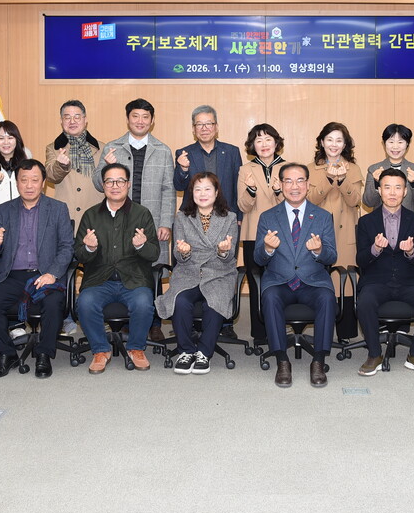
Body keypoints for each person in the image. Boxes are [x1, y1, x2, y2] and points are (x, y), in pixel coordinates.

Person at [0, 159, 73, 379]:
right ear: (17, 182)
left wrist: (52, 274)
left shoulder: (58, 209)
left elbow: (67, 247)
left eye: (35, 180)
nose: (29, 185)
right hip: (12, 275)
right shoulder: (4, 210)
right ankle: (7, 354)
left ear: (43, 183)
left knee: (53, 303)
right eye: (24, 180)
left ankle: (44, 354)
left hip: (45, 274)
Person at [255, 163, 338, 388]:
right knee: (270, 297)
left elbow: (332, 256)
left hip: (312, 281)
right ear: (281, 185)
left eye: (300, 181)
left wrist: (319, 250)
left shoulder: (322, 216)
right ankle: (282, 360)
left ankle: (318, 361)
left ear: (308, 185)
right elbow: (258, 259)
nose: (295, 186)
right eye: (289, 181)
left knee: (327, 298)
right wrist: (267, 249)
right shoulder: (267, 217)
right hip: (279, 281)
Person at [73, 163, 160, 374]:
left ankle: (136, 348)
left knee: (143, 303)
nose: (115, 186)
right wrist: (88, 247)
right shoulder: (91, 215)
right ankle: (100, 350)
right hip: (99, 279)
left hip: (134, 279)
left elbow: (154, 254)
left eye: (120, 181)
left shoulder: (142, 214)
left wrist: (141, 245)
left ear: (128, 184)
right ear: (103, 185)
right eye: (109, 181)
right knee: (84, 303)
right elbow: (78, 255)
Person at [354, 169, 414, 377]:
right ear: (379, 190)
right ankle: (374, 354)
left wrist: (411, 252)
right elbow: (361, 260)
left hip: (410, 281)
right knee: (364, 302)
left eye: (398, 187)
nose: (392, 193)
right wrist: (375, 248)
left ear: (405, 192)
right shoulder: (366, 222)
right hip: (377, 281)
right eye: (387, 187)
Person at [156, 173, 239, 375]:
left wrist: (223, 251)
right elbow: (178, 254)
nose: (202, 194)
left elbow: (229, 257)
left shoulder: (230, 218)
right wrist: (183, 252)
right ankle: (185, 351)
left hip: (219, 272)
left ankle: (203, 352)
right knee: (180, 300)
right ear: (191, 193)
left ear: (216, 192)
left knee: (214, 301)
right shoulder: (182, 217)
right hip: (189, 271)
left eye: (207, 189)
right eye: (197, 189)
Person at [95, 98, 176, 265]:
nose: (140, 121)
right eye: (135, 116)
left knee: (153, 270)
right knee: (119, 267)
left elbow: (169, 190)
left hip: (152, 221)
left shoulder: (163, 151)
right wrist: (106, 166)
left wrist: (166, 223)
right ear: (127, 119)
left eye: (145, 117)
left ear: (152, 121)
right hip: (117, 221)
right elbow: (98, 184)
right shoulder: (112, 147)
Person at [237, 123, 287, 346]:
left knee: (280, 281)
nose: (264, 144)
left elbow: (292, 204)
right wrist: (250, 190)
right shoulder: (245, 169)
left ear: (276, 143)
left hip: (282, 234)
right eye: (258, 140)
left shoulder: (287, 168)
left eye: (268, 139)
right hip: (253, 234)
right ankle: (259, 333)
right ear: (252, 145)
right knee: (256, 281)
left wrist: (278, 191)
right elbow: (243, 206)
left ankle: (279, 329)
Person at [307, 121, 363, 267]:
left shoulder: (353, 169)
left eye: (339, 141)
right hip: (317, 231)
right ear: (322, 142)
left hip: (345, 232)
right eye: (329, 140)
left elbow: (355, 201)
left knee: (344, 275)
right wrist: (328, 179)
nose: (334, 145)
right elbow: (309, 201)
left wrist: (343, 180)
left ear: (344, 145)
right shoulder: (310, 169)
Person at [174, 105, 243, 222]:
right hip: (193, 217)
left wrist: (239, 216)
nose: (204, 128)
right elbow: (179, 187)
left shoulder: (232, 152)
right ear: (193, 129)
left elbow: (238, 188)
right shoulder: (184, 153)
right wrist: (183, 169)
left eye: (209, 124)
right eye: (199, 124)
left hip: (226, 215)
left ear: (216, 127)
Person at [45, 99, 104, 231]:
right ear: (61, 121)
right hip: (65, 217)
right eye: (67, 117)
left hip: (95, 216)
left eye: (77, 117)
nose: (72, 121)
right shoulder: (53, 148)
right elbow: (50, 176)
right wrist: (60, 165)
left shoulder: (102, 148)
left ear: (85, 120)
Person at [362, 123, 414, 213]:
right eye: (391, 142)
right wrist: (376, 183)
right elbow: (368, 203)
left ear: (407, 144)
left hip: (408, 220)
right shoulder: (374, 169)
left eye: (400, 142)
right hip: (381, 220)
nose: (395, 146)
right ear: (384, 143)